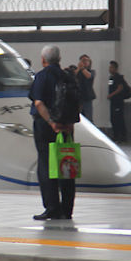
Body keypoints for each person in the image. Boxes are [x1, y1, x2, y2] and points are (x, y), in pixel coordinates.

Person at [29, 44, 77, 221]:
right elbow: (77, 102)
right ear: (59, 59)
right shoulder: (68, 76)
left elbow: (38, 103)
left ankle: (52, 208)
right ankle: (67, 210)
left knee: (46, 166)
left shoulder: (42, 76)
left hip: (45, 126)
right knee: (66, 165)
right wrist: (68, 124)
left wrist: (51, 122)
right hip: (67, 126)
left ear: (43, 60)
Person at [107, 60, 128, 143]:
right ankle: (115, 136)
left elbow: (120, 88)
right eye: (109, 67)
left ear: (115, 68)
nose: (110, 69)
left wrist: (111, 95)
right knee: (113, 119)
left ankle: (122, 136)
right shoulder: (111, 78)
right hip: (113, 102)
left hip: (118, 102)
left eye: (111, 67)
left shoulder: (118, 77)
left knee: (119, 119)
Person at [76, 54, 96, 122]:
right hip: (79, 97)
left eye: (86, 60)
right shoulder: (78, 71)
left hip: (87, 97)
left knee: (88, 117)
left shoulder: (92, 71)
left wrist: (82, 68)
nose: (85, 62)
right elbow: (73, 76)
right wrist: (79, 68)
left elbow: (89, 76)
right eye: (83, 60)